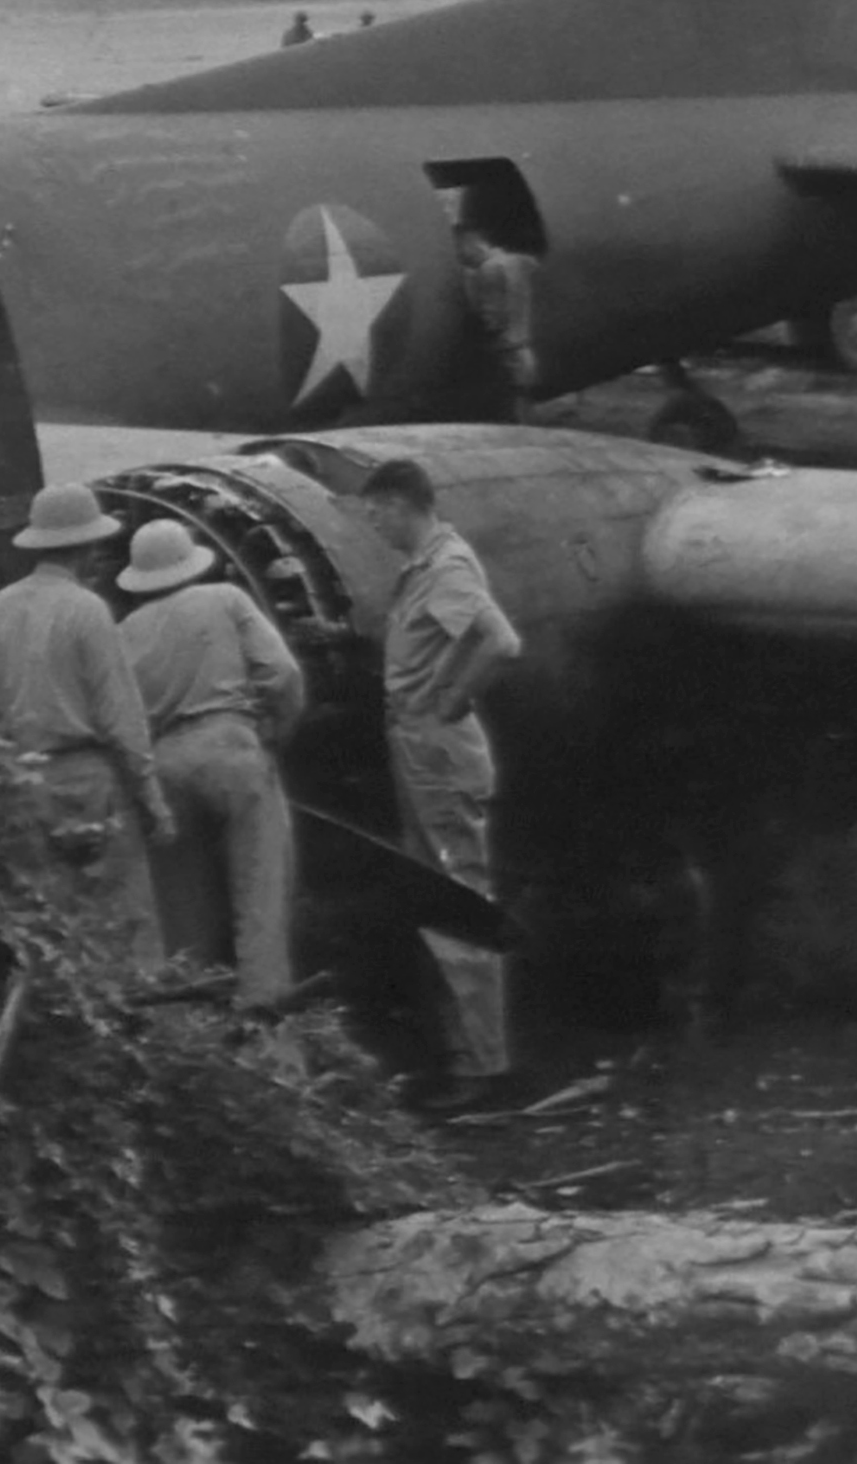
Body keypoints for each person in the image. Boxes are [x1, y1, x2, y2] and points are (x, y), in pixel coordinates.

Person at [0, 482, 175, 965]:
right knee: (123, 917)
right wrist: (151, 797)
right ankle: (143, 1020)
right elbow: (120, 717)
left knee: (49, 923)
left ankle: (61, 1025)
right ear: (86, 547)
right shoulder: (88, 609)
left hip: (22, 782)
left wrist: (7, 729)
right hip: (88, 781)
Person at [355, 457, 522, 1111]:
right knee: (432, 896)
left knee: (456, 900)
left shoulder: (446, 565)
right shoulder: (425, 567)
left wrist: (446, 699)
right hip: (418, 741)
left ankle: (485, 1069)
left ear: (401, 504)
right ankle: (466, 1060)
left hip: (435, 748)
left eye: (375, 512)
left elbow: (500, 642)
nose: (373, 524)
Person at [114, 519, 304, 1010]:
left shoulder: (123, 631)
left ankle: (191, 1036)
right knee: (260, 895)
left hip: (162, 769)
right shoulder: (225, 599)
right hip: (229, 750)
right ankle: (269, 1027)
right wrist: (278, 732)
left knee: (182, 912)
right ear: (190, 564)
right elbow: (282, 673)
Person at [454, 223, 544, 422]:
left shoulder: (488, 269)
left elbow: (492, 317)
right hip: (524, 349)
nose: (462, 256)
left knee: (506, 412)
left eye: (461, 249)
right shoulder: (521, 261)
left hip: (503, 352)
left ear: (475, 245)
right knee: (524, 404)